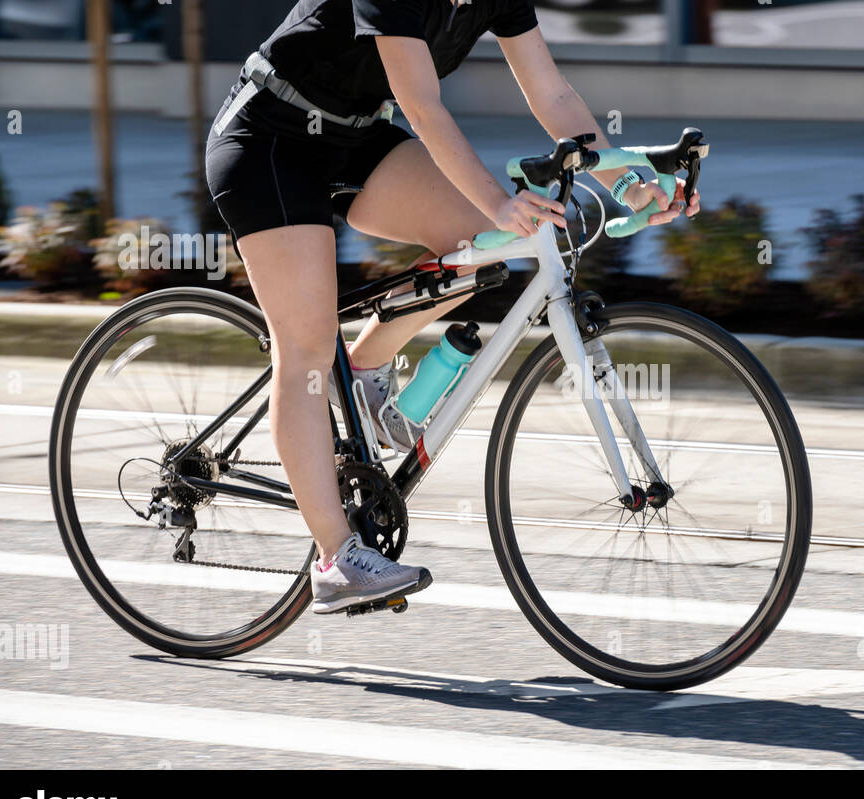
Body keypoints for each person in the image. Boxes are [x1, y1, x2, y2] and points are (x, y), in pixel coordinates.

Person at [205, 0, 701, 614]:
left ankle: (360, 373)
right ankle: (336, 559)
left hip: (356, 135)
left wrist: (627, 183)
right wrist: (499, 200)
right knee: (305, 342)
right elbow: (422, 105)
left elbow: (553, 94)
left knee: (477, 249)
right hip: (271, 140)